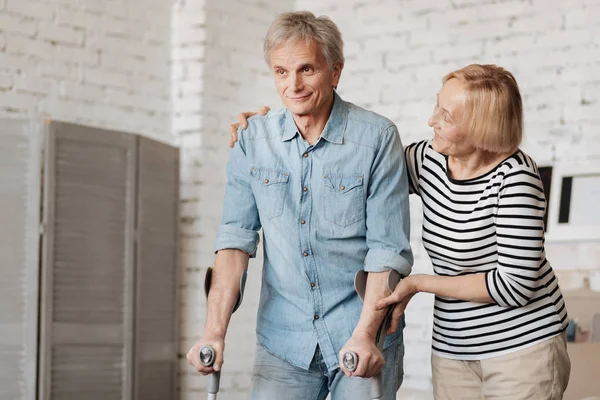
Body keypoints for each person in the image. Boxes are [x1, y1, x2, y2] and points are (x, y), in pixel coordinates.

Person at [230, 64, 571, 399]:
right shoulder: (427, 159)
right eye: (437, 105)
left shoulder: (516, 181)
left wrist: (418, 282)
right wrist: (274, 131)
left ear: (482, 129)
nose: (431, 120)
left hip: (522, 349)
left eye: (446, 116)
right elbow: (354, 173)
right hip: (454, 348)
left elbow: (514, 286)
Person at [187, 11, 413, 400]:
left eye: (307, 69)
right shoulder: (251, 140)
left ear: (335, 71)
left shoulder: (377, 138)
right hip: (283, 340)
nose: (293, 85)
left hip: (358, 332)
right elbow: (234, 243)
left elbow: (387, 252)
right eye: (281, 72)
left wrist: (364, 334)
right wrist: (213, 331)